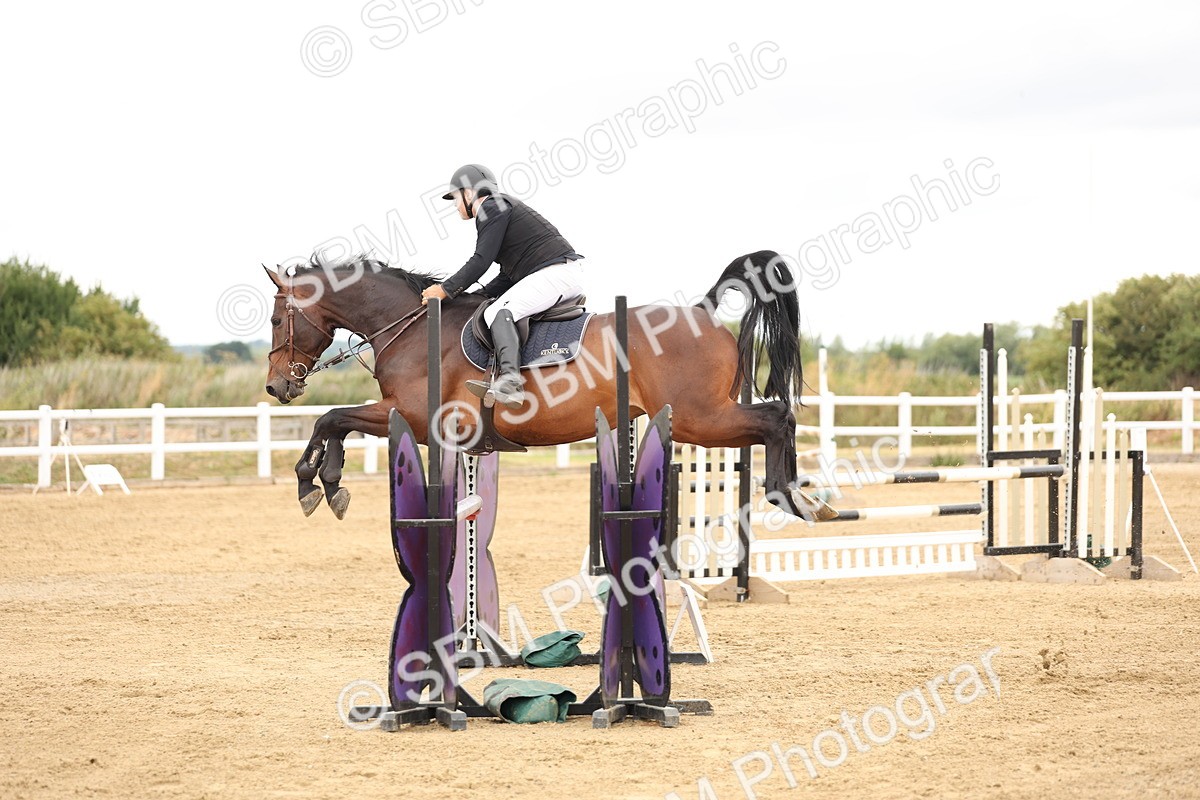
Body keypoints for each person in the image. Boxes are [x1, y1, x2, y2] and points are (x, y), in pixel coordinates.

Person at [421, 164, 585, 409]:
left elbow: (481, 260)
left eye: (455, 198)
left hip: (555, 273)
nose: (455, 205)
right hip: (557, 273)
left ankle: (510, 383)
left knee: (497, 313)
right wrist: (476, 295)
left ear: (468, 193)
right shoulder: (500, 208)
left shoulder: (491, 206)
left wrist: (445, 289)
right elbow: (507, 275)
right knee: (492, 306)